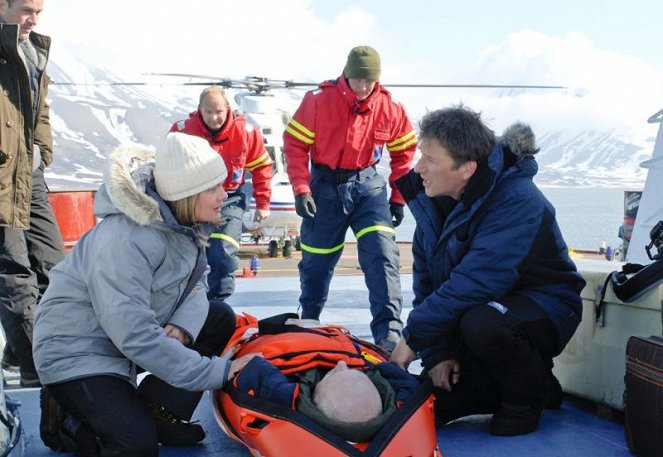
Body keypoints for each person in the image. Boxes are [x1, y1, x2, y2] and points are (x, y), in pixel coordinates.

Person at [33, 133, 257, 456]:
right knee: (134, 445)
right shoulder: (125, 239)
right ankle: (63, 418)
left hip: (118, 342)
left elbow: (197, 280)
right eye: (213, 189)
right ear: (186, 194)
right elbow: (136, 336)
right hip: (76, 352)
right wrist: (217, 373)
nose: (224, 195)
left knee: (218, 317)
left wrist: (182, 325)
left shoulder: (182, 222)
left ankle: (158, 411)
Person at [390, 106, 586, 436]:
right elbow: (427, 282)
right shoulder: (433, 198)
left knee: (483, 321)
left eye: (430, 160)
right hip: (480, 308)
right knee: (425, 405)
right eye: (421, 156)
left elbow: (476, 281)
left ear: (466, 168)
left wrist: (412, 339)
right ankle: (529, 382)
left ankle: (528, 397)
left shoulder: (518, 200)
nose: (419, 168)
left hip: (545, 306)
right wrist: (440, 352)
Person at [283, 45, 416, 351]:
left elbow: (404, 154)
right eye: (357, 79)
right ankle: (310, 321)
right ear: (346, 74)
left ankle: (388, 336)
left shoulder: (390, 108)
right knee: (317, 262)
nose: (362, 86)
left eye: (369, 81)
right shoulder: (318, 101)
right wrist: (302, 189)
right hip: (325, 187)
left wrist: (398, 198)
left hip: (368, 188)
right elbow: (294, 147)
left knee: (382, 255)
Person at [0, 0, 65, 388]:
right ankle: (33, 366)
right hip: (2, 174)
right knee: (14, 272)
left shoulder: (33, 48)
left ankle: (17, 351)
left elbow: (40, 110)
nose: (34, 19)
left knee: (57, 268)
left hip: (31, 174)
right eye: (26, 9)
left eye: (39, 11)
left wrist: (45, 149)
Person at [170, 86, 273, 300]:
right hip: (194, 201)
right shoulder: (182, 131)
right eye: (208, 112)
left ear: (227, 109)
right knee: (188, 254)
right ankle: (186, 303)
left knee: (223, 254)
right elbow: (166, 166)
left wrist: (263, 203)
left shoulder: (246, 133)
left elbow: (262, 167)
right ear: (199, 110)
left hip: (230, 198)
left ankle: (218, 303)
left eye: (219, 112)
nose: (214, 117)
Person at [234, 357, 418, 442]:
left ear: (313, 399)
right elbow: (409, 384)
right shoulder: (401, 405)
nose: (341, 363)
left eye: (333, 374)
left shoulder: (284, 395)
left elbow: (255, 366)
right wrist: (374, 365)